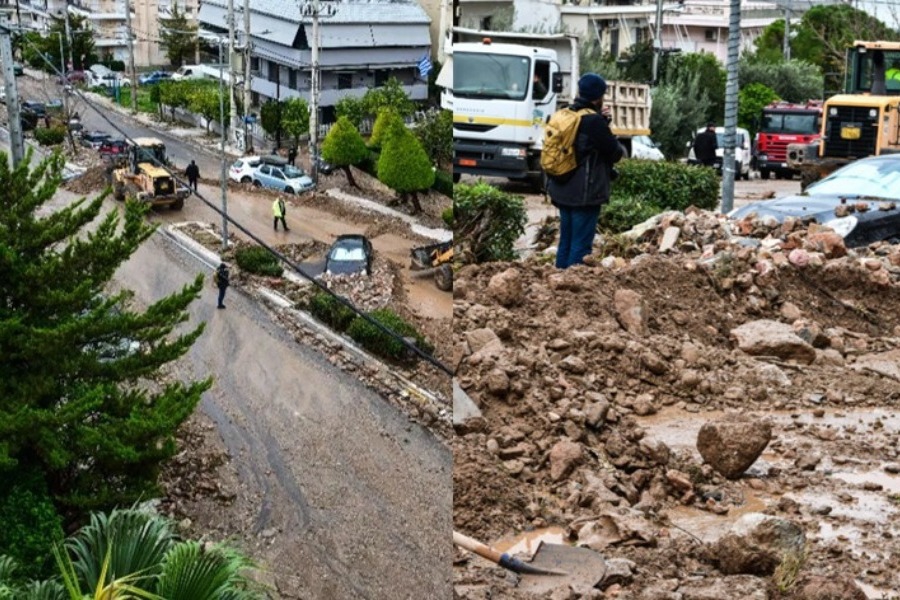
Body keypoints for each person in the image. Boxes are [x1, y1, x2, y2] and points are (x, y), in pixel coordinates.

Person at [546, 73, 625, 270]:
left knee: (566, 240)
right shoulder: (593, 121)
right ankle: (571, 290)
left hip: (562, 187)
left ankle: (557, 283)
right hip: (585, 192)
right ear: (598, 97)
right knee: (581, 245)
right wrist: (604, 124)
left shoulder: (565, 114)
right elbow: (615, 153)